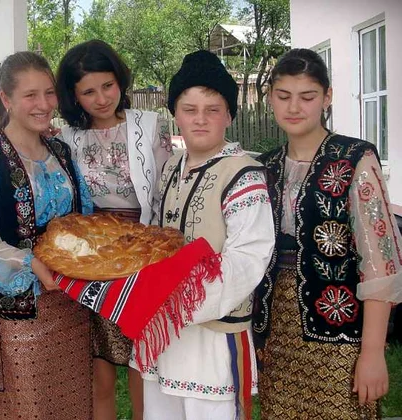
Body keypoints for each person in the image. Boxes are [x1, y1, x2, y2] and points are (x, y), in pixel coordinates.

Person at [253, 48, 402, 419]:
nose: (294, 107)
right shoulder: (264, 166)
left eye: (308, 96)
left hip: (341, 333)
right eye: (284, 96)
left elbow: (380, 263)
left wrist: (371, 352)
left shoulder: (354, 158)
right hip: (274, 333)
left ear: (327, 97)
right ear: (271, 97)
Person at [139, 50, 274, 420]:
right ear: (175, 113)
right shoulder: (169, 168)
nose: (200, 119)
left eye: (212, 109)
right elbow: (154, 239)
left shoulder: (243, 173)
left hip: (214, 334)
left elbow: (248, 258)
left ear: (229, 114)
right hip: (165, 333)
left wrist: (183, 302)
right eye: (189, 108)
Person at [0, 51, 94, 420]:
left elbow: (83, 219)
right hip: (22, 310)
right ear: (6, 99)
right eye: (30, 95)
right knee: (29, 409)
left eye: (49, 93)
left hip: (71, 303)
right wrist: (31, 264)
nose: (44, 104)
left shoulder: (61, 151)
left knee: (72, 406)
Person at [56, 39, 172, 420]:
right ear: (74, 96)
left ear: (120, 80)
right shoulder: (65, 138)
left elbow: (165, 188)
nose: (101, 98)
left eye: (107, 85)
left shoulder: (149, 124)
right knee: (99, 368)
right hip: (90, 258)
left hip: (142, 253)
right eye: (88, 91)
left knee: (141, 364)